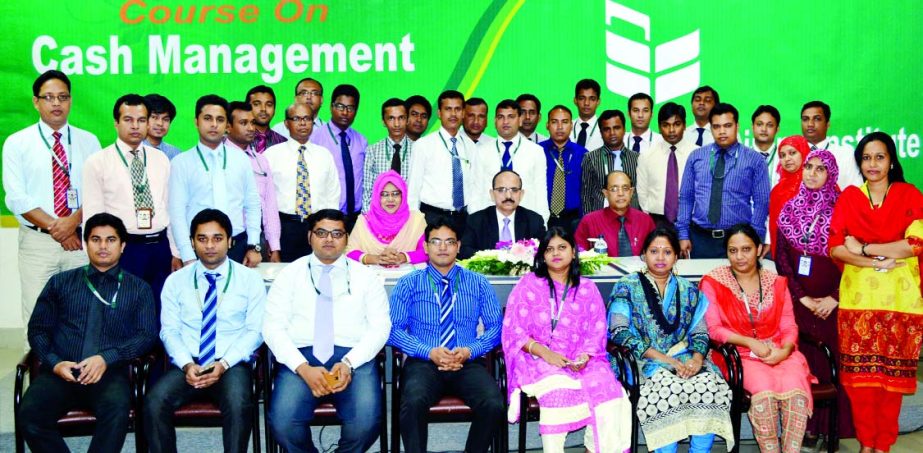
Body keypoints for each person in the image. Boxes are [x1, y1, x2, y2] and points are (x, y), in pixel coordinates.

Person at [20, 213, 158, 453]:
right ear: (86, 244)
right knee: (30, 414)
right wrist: (55, 363)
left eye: (111, 240)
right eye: (95, 239)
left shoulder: (138, 289)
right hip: (61, 372)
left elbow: (147, 335)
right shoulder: (60, 283)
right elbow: (38, 330)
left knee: (117, 411)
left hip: (109, 373)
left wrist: (107, 358)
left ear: (123, 245)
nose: (103, 246)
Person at [263, 209, 391, 453]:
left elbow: (380, 327)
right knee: (283, 422)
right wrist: (302, 367)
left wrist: (349, 363)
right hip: (301, 359)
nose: (329, 239)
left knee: (366, 422)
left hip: (353, 358)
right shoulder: (288, 275)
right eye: (321, 233)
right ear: (310, 236)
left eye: (337, 233)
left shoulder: (367, 277)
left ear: (346, 238)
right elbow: (272, 328)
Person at [828, 132, 923, 453]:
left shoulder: (909, 194)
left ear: (892, 160)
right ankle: (867, 443)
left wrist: (867, 247)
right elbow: (837, 248)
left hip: (901, 302)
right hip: (858, 302)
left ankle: (883, 445)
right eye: (866, 158)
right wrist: (875, 261)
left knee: (891, 380)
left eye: (879, 157)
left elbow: (915, 244)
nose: (872, 164)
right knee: (859, 380)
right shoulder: (850, 197)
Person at [145, 209, 265, 453]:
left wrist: (224, 364)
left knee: (239, 403)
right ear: (192, 243)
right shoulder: (176, 281)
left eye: (217, 238)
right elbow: (169, 331)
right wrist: (187, 364)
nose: (210, 246)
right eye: (202, 239)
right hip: (189, 363)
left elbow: (256, 331)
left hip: (230, 364)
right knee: (154, 402)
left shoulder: (249, 280)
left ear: (231, 242)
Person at [502, 227, 631, 452]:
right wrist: (546, 353)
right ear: (542, 256)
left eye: (562, 247)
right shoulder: (528, 284)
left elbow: (597, 330)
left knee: (612, 394)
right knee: (558, 395)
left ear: (573, 252)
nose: (556, 253)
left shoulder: (587, 288)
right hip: (537, 359)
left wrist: (586, 355)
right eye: (550, 249)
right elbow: (514, 330)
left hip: (583, 360)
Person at [609, 228, 735, 453]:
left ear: (676, 256)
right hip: (644, 361)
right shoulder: (627, 285)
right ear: (643, 255)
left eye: (667, 252)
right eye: (654, 251)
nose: (660, 257)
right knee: (668, 391)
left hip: (685, 359)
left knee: (710, 386)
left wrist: (697, 360)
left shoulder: (688, 290)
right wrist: (665, 360)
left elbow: (700, 333)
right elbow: (619, 331)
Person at [389, 217, 505, 452]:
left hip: (467, 361)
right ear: (425, 246)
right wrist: (428, 352)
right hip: (424, 362)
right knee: (412, 402)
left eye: (449, 242)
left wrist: (470, 350)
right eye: (436, 241)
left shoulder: (478, 282)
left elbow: (496, 328)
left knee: (493, 403)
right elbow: (392, 330)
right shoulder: (408, 283)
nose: (443, 247)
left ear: (459, 246)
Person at [3, 70, 99, 345]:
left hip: (79, 243)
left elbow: (95, 190)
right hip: (38, 244)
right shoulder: (17, 143)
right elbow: (16, 198)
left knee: (81, 316)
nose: (56, 103)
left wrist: (72, 224)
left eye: (63, 97)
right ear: (36, 102)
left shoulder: (88, 140)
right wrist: (59, 228)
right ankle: (38, 386)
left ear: (70, 101)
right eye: (49, 97)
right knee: (38, 317)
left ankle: (79, 385)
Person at [700, 224, 815, 453]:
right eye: (733, 251)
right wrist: (750, 342)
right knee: (764, 391)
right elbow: (713, 329)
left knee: (796, 390)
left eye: (746, 249)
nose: (740, 257)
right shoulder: (713, 282)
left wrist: (784, 350)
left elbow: (789, 324)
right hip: (740, 355)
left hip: (780, 352)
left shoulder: (776, 282)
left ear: (759, 249)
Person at [774, 149, 855, 444]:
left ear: (831, 174)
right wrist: (802, 297)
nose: (812, 173)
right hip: (800, 304)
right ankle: (805, 428)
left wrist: (834, 297)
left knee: (833, 365)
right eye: (809, 166)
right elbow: (781, 258)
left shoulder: (845, 210)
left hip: (833, 305)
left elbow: (855, 259)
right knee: (804, 364)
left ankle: (832, 428)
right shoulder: (789, 208)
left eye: (821, 169)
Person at [82, 94, 173, 307]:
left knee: (159, 311)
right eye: (128, 120)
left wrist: (175, 251)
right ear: (116, 123)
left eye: (141, 120)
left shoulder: (160, 159)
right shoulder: (98, 162)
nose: (135, 126)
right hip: (123, 250)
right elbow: (93, 215)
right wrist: (98, 256)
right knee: (122, 311)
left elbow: (167, 207)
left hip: (159, 247)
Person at [168, 94, 263, 266]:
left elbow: (252, 204)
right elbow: (177, 213)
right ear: (196, 121)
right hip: (199, 248)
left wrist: (253, 245)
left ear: (227, 125)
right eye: (207, 118)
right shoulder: (181, 163)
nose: (214, 125)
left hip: (238, 247)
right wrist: (187, 255)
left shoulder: (240, 159)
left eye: (220, 120)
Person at [676, 103, 770, 258]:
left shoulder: (754, 160)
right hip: (700, 239)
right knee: (701, 282)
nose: (722, 131)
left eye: (727, 126)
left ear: (737, 126)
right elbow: (686, 198)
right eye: (716, 126)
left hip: (738, 240)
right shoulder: (696, 157)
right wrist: (683, 234)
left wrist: (755, 237)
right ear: (710, 128)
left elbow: (762, 202)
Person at [263, 103, 340, 262]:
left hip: (318, 228)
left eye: (307, 118)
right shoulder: (271, 155)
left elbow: (332, 195)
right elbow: (264, 199)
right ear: (286, 123)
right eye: (297, 119)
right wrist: (271, 240)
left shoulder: (324, 155)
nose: (303, 123)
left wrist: (329, 231)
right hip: (284, 228)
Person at [407, 90, 475, 234]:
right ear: (439, 113)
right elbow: (413, 189)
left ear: (463, 113)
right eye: (448, 109)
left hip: (463, 218)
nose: (453, 114)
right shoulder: (423, 145)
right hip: (432, 216)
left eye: (457, 109)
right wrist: (414, 224)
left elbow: (474, 185)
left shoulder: (470, 146)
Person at [470, 99, 549, 221]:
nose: (505, 122)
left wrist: (541, 223)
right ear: (495, 121)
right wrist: (476, 222)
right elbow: (475, 192)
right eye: (501, 117)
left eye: (511, 117)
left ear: (520, 120)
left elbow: (541, 192)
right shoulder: (482, 151)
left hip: (525, 219)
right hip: (489, 220)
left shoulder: (536, 151)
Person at [224, 101, 281, 262]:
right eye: (243, 123)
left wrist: (274, 245)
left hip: (258, 240)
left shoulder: (261, 161)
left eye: (252, 123)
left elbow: (270, 205)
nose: (251, 128)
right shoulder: (219, 159)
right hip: (227, 241)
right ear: (228, 126)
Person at [310, 83, 367, 229]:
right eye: (340, 106)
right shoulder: (315, 138)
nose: (345, 112)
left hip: (357, 217)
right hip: (327, 217)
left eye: (350, 108)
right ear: (331, 106)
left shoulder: (362, 141)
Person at [460, 170, 547, 259]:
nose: (508, 196)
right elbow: (465, 250)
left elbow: (545, 250)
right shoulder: (476, 220)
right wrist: (493, 258)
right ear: (492, 194)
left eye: (514, 190)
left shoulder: (534, 220)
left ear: (521, 194)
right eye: (501, 190)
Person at [347, 170, 427, 265]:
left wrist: (403, 257)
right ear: (377, 196)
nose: (390, 199)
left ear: (403, 195)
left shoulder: (416, 220)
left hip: (408, 277)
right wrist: (375, 259)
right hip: (372, 277)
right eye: (384, 194)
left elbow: (427, 252)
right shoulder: (364, 221)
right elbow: (350, 252)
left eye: (395, 194)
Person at [636, 102, 695, 226]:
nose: (671, 130)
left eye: (677, 124)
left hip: (691, 220)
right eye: (666, 125)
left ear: (684, 125)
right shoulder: (646, 156)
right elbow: (642, 193)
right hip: (656, 221)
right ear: (659, 127)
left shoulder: (697, 154)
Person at [576, 171, 655, 257]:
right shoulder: (589, 221)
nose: (620, 194)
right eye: (614, 189)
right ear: (605, 193)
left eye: (625, 188)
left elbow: (655, 253)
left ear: (631, 192)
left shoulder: (646, 221)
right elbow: (579, 255)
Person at [581, 109, 639, 213]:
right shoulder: (590, 158)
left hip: (632, 222)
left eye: (616, 128)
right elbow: (586, 196)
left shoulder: (637, 159)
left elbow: (641, 195)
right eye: (606, 129)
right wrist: (590, 224)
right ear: (601, 132)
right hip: (600, 223)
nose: (612, 133)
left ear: (624, 129)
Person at [540, 105, 587, 233]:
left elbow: (586, 191)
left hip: (574, 220)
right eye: (554, 122)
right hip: (543, 217)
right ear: (547, 125)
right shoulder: (537, 151)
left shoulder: (583, 153)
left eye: (564, 122)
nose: (560, 127)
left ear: (571, 125)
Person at [362, 98, 413, 212]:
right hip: (379, 217)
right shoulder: (372, 151)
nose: (396, 124)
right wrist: (368, 219)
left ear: (408, 120)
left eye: (401, 118)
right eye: (391, 118)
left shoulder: (417, 150)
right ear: (383, 122)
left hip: (409, 216)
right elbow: (367, 190)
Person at [800, 100, 863, 189]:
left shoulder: (845, 154)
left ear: (828, 124)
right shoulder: (792, 155)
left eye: (817, 119)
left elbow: (856, 190)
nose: (810, 124)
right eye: (805, 119)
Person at [767, 136, 810, 256]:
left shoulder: (817, 183)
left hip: (814, 252)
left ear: (803, 153)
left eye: (792, 153)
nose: (787, 158)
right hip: (785, 255)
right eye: (782, 155)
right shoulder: (777, 191)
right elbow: (774, 229)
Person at [245, 85, 288, 153]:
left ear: (274, 109)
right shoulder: (239, 140)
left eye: (269, 104)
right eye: (256, 104)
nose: (263, 109)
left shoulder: (283, 142)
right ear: (247, 108)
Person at [143, 94, 183, 160]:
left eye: (165, 119)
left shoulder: (176, 154)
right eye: (154, 117)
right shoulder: (132, 150)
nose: (160, 123)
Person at [751, 105, 781, 184]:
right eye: (759, 124)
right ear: (752, 127)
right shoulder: (741, 157)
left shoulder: (784, 158)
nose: (764, 129)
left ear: (777, 129)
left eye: (769, 125)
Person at [571, 79, 603, 150]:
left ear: (598, 101)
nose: (586, 103)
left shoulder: (605, 129)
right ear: (575, 100)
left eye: (592, 99)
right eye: (582, 98)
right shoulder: (566, 127)